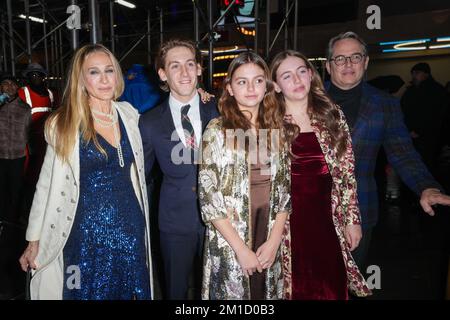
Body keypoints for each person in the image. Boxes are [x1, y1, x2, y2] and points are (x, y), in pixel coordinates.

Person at [19, 44, 153, 300]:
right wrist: (34, 239)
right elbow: (46, 185)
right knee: (82, 290)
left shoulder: (129, 115)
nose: (104, 79)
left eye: (109, 70)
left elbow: (165, 114)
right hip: (83, 235)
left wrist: (201, 96)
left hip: (130, 229)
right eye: (94, 72)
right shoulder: (64, 124)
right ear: (80, 80)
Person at [324, 31, 450, 272]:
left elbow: (402, 152)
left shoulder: (384, 104)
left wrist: (426, 186)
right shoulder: (309, 99)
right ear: (329, 66)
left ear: (366, 62)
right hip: (309, 209)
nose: (348, 64)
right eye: (340, 58)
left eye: (355, 57)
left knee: (348, 284)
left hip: (360, 210)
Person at [270, 50, 371, 299]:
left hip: (327, 221)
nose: (296, 80)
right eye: (287, 75)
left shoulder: (331, 114)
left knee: (331, 286)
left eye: (301, 71)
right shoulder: (268, 121)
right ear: (276, 85)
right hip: (284, 226)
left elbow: (347, 174)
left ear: (311, 75)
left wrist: (352, 219)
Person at [198, 51, 291, 300]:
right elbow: (209, 199)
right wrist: (241, 250)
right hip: (231, 240)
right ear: (229, 88)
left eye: (258, 80)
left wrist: (273, 242)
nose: (251, 88)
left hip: (269, 235)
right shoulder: (216, 130)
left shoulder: (277, 128)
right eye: (242, 81)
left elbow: (284, 192)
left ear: (268, 86)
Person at [139, 39, 218, 300]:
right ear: (163, 74)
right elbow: (142, 176)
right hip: (174, 222)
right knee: (175, 291)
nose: (184, 73)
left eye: (190, 64)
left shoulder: (221, 109)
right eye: (175, 66)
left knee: (219, 292)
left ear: (198, 69)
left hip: (222, 221)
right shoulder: (149, 122)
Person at [18, 63, 54, 216]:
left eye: (38, 75)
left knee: (46, 173)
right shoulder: (23, 92)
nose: (35, 78)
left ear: (42, 77)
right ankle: (28, 210)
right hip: (28, 140)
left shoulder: (51, 94)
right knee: (29, 174)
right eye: (31, 75)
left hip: (48, 140)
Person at [401, 62, 449, 176]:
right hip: (413, 136)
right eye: (412, 73)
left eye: (417, 73)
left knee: (429, 166)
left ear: (426, 74)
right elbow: (403, 112)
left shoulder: (437, 91)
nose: (414, 76)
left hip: (431, 137)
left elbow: (438, 115)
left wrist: (418, 130)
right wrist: (409, 129)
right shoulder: (410, 92)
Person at [0, 74, 31, 223]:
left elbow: (28, 131)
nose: (9, 87)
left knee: (16, 188)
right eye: (6, 84)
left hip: (18, 156)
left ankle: (16, 217)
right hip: (0, 155)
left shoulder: (25, 108)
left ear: (17, 87)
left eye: (12, 84)